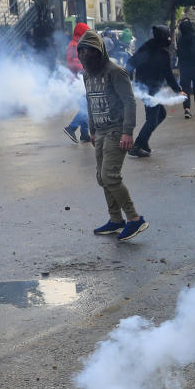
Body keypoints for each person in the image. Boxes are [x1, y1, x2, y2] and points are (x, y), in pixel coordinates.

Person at [76, 30, 148, 242]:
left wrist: (128, 132)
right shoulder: (87, 74)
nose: (83, 56)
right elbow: (89, 101)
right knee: (101, 178)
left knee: (110, 176)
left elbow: (129, 102)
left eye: (88, 51)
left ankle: (134, 218)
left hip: (117, 130)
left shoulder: (116, 72)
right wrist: (91, 129)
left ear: (99, 52)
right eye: (80, 52)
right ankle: (116, 220)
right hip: (99, 130)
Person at [125, 25, 185, 158]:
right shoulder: (162, 54)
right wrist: (178, 90)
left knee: (161, 114)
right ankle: (137, 145)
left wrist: (130, 81)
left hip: (145, 89)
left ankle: (144, 141)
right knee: (152, 119)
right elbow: (169, 75)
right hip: (149, 90)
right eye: (168, 35)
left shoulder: (146, 47)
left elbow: (130, 63)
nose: (170, 38)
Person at [63, 22, 92, 144]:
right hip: (77, 81)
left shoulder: (79, 44)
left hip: (80, 79)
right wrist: (86, 67)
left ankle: (84, 134)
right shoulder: (74, 45)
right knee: (86, 106)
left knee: (84, 106)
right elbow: (72, 63)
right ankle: (71, 128)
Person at [176, 18, 195, 119]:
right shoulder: (193, 37)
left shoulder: (180, 39)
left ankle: (187, 110)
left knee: (185, 88)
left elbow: (178, 53)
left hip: (184, 66)